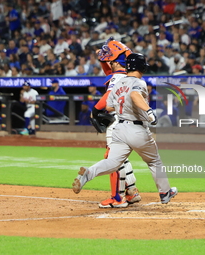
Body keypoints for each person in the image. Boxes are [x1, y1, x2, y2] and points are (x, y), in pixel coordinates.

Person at [72, 53, 178, 205]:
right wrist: (149, 112)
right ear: (141, 67)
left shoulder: (118, 84)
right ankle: (165, 192)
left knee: (112, 162)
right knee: (154, 161)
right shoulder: (139, 82)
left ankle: (89, 173)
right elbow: (135, 95)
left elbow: (108, 106)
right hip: (137, 130)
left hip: (120, 128)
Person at [87, 38, 141, 208]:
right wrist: (104, 57)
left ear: (116, 62)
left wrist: (95, 110)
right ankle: (131, 192)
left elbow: (107, 98)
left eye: (109, 59)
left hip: (118, 121)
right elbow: (108, 71)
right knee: (121, 158)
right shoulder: (125, 75)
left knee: (112, 158)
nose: (106, 61)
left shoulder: (118, 77)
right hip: (128, 121)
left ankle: (116, 198)